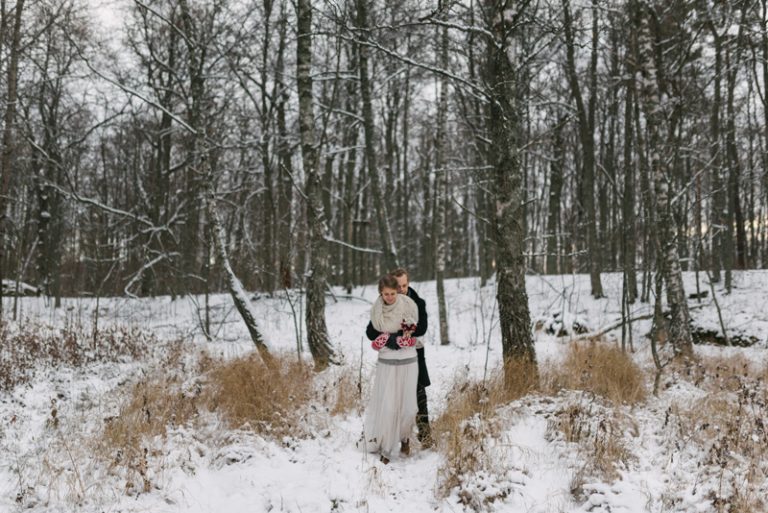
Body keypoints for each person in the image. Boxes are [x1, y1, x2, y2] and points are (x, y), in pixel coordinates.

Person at [366, 268, 432, 448]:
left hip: (413, 354)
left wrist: (402, 334)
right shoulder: (382, 304)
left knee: (418, 396)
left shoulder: (417, 302)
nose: (402, 288)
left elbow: (421, 328)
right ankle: (396, 437)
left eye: (404, 285)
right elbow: (371, 331)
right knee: (392, 398)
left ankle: (425, 435)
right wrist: (391, 337)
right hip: (391, 355)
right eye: (398, 285)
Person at [362, 274, 419, 464]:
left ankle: (404, 437)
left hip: (408, 358)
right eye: (385, 294)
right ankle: (386, 447)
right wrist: (388, 339)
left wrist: (402, 337)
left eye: (393, 293)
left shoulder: (409, 305)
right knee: (388, 406)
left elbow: (417, 330)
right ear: (381, 293)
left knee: (409, 407)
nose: (389, 297)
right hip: (387, 359)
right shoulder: (376, 310)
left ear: (398, 291)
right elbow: (372, 332)